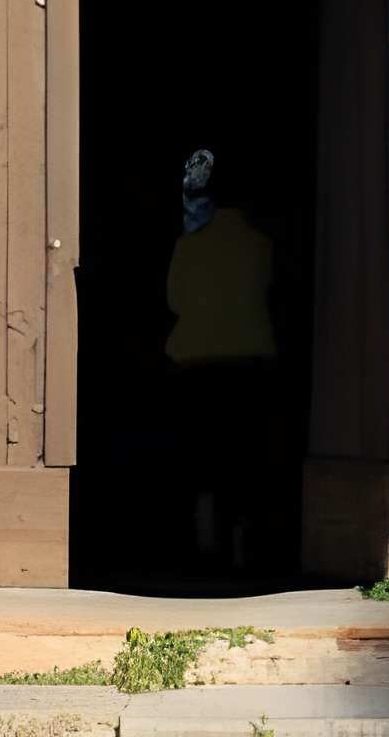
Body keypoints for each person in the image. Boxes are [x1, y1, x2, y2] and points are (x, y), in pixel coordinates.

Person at [164, 148, 281, 575]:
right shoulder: (262, 246)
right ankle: (241, 546)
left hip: (196, 362)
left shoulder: (189, 245)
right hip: (249, 361)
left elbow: (174, 302)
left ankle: (202, 546)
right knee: (245, 458)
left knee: (199, 458)